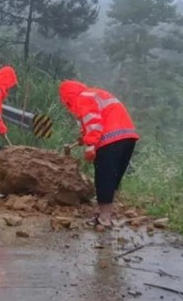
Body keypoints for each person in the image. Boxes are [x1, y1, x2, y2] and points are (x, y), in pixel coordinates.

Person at [59, 80, 139, 228]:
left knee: (104, 177)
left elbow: (94, 122)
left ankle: (104, 219)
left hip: (110, 140)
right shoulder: (95, 93)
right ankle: (107, 215)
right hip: (128, 136)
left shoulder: (83, 98)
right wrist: (85, 138)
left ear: (68, 96)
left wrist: (90, 145)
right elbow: (103, 118)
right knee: (113, 178)